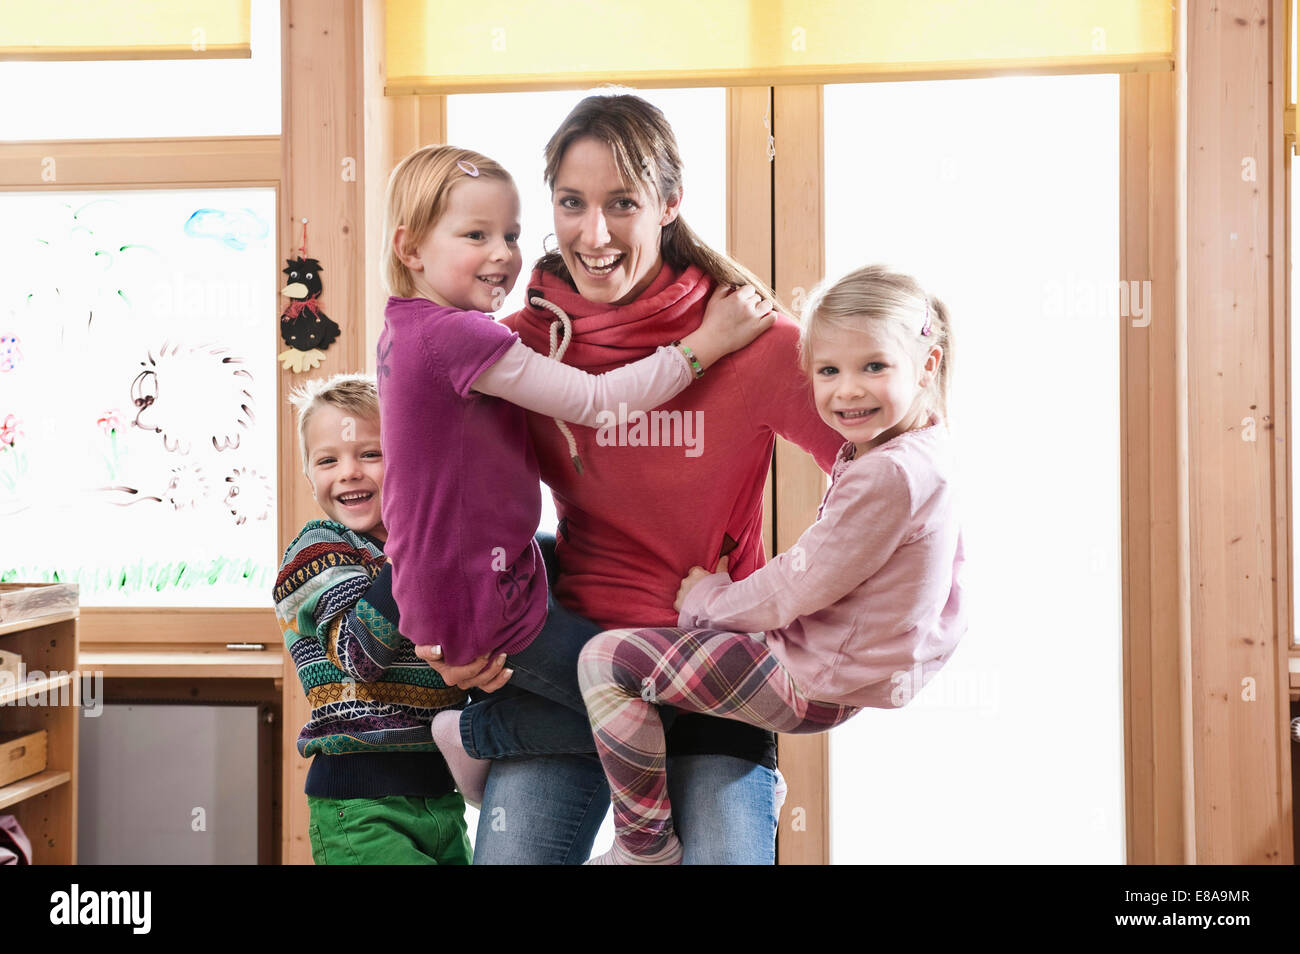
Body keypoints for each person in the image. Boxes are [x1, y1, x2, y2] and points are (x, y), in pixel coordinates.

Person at [433, 93, 848, 865]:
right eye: (571, 203)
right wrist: (446, 631)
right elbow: (447, 503)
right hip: (569, 673)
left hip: (713, 671)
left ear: (668, 203)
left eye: (622, 203)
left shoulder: (756, 342)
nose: (594, 234)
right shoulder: (519, 351)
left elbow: (873, 482)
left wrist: (796, 600)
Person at [377, 144, 775, 805]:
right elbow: (595, 403)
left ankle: (480, 728)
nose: (503, 253)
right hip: (483, 593)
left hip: (466, 572)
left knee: (619, 669)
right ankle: (473, 735)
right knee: (647, 708)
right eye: (475, 235)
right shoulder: (461, 340)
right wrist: (706, 346)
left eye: (508, 233)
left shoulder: (406, 328)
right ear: (411, 249)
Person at [578, 264, 968, 864]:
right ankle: (753, 783)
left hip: (813, 678)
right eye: (828, 371)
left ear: (927, 365)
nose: (847, 391)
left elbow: (799, 582)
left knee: (605, 663)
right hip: (848, 664)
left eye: (874, 366)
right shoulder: (921, 444)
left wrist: (708, 600)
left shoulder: (889, 473)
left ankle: (642, 847)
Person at [272, 373, 470, 864]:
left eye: (370, 453)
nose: (348, 472)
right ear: (308, 474)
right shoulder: (317, 550)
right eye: (327, 460)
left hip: (442, 797)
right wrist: (413, 543)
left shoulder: (426, 552)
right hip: (359, 807)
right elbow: (358, 653)